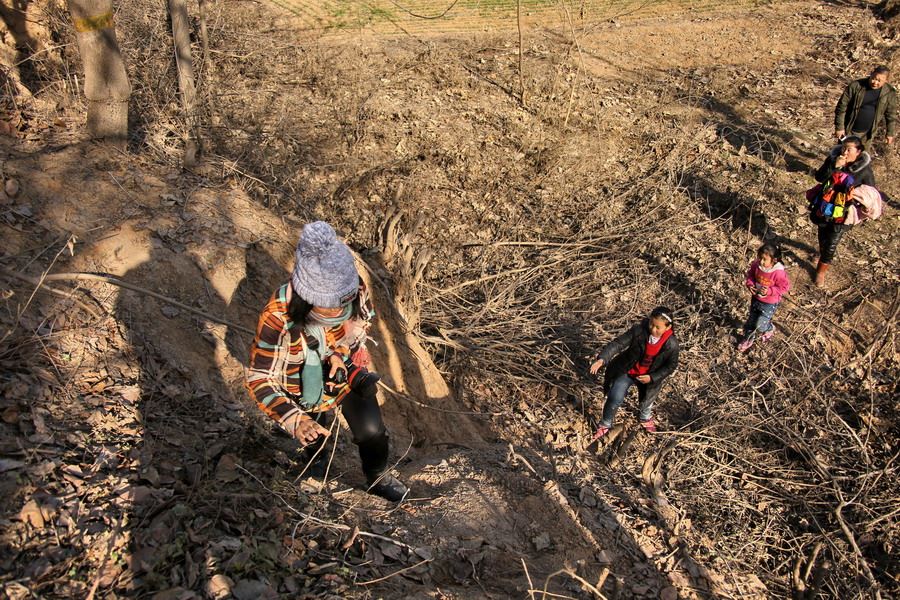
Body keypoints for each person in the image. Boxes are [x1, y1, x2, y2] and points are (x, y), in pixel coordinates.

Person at [246, 221, 408, 502]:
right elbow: (260, 377)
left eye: (343, 305)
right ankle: (316, 462)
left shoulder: (354, 286)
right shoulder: (278, 315)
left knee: (371, 431)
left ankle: (377, 475)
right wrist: (295, 420)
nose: (338, 311)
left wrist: (339, 352)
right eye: (329, 306)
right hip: (298, 380)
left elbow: (364, 323)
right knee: (313, 426)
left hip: (344, 370)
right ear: (307, 299)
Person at [589, 307, 679, 440]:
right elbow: (618, 344)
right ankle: (605, 424)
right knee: (615, 397)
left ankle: (644, 417)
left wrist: (652, 377)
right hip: (628, 370)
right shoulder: (639, 331)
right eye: (651, 324)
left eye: (657, 327)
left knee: (647, 400)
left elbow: (671, 366)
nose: (653, 329)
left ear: (668, 327)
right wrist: (602, 359)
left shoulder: (672, 345)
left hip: (649, 377)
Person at [810, 137, 875, 287]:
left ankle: (821, 271)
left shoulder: (863, 169)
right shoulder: (833, 159)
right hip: (825, 205)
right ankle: (821, 252)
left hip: (844, 212)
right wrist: (834, 166)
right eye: (843, 148)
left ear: (858, 152)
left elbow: (871, 190)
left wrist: (861, 203)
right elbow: (819, 177)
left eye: (849, 149)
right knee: (823, 234)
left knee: (832, 241)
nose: (844, 152)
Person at [737, 244, 791, 352]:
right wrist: (750, 284)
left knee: (761, 324)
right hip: (756, 299)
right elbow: (751, 275)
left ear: (774, 260)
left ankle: (769, 328)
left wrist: (770, 291)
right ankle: (748, 339)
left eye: (764, 259)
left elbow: (784, 287)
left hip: (769, 303)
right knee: (751, 321)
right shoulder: (756, 265)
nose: (761, 261)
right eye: (760, 257)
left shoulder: (778, 272)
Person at [834, 65, 897, 147]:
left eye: (879, 81)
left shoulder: (889, 93)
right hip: (848, 130)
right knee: (843, 155)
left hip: (867, 135)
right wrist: (839, 128)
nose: (875, 82)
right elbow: (841, 107)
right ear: (871, 74)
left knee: (862, 158)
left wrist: (890, 133)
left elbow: (891, 114)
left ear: (886, 80)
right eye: (873, 78)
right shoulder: (856, 86)